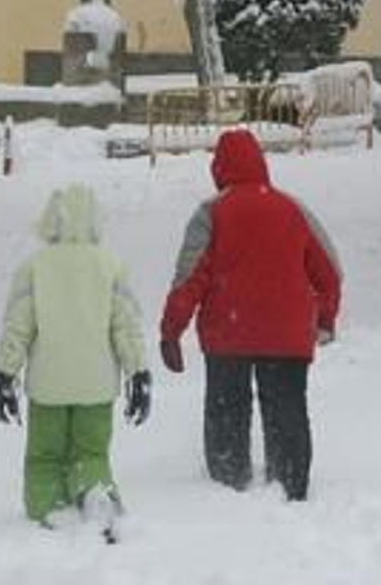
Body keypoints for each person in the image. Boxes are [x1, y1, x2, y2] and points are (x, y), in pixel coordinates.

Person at [159, 129, 342, 502]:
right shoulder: (294, 209)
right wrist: (323, 318)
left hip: (230, 333)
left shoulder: (211, 213)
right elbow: (330, 272)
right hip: (286, 335)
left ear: (219, 168)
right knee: (287, 409)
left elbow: (189, 278)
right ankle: (290, 485)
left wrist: (171, 331)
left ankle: (230, 486)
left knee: (227, 410)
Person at [0, 184, 152, 538]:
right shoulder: (110, 265)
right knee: (91, 452)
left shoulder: (35, 268)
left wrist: (4, 375)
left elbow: (17, 327)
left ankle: (50, 510)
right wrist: (138, 373)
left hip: (48, 385)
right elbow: (126, 325)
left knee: (45, 456)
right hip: (96, 385)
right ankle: (95, 494)